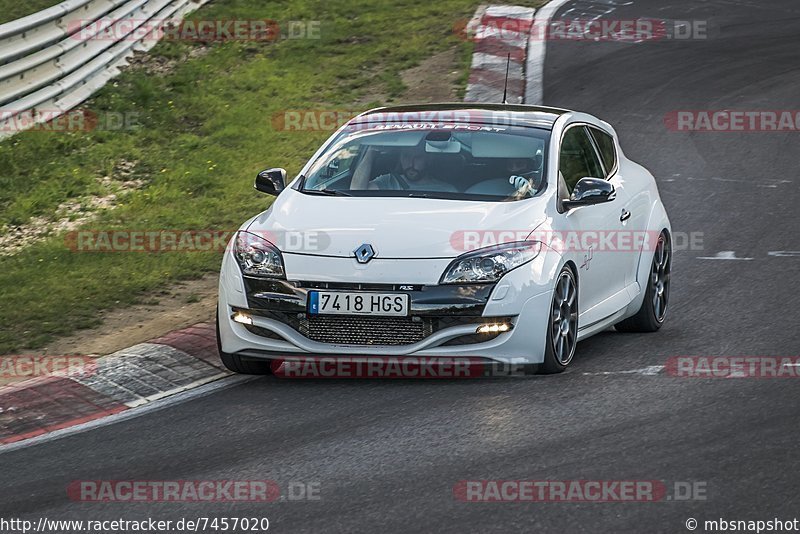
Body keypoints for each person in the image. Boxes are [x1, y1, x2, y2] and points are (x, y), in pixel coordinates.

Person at [350, 145, 457, 192]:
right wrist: (371, 152)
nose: (411, 163)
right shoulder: (389, 181)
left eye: (417, 158)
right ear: (400, 158)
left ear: (428, 160)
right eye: (406, 157)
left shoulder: (447, 189)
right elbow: (356, 189)